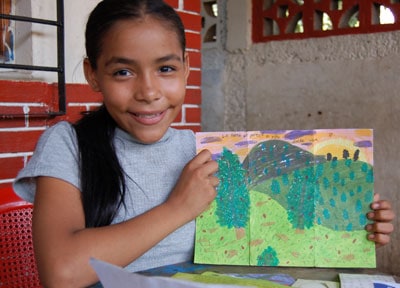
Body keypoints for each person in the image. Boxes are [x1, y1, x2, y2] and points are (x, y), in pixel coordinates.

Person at [13, 0, 395, 287]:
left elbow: (264, 248)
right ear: (93, 75)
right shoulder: (68, 144)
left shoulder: (203, 151)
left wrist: (351, 227)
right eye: (123, 71)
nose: (148, 92)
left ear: (186, 70)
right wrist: (179, 208)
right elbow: (60, 271)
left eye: (166, 69)